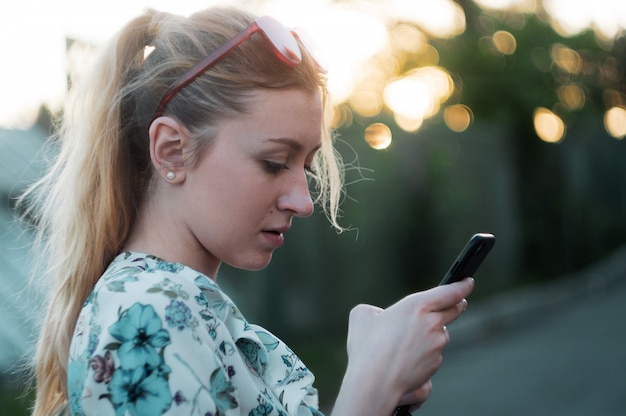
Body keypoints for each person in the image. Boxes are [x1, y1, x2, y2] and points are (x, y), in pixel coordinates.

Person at [20, 5, 474, 416]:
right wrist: (372, 386)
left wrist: (384, 386)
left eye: (306, 166)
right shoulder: (142, 317)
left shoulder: (182, 307)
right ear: (172, 151)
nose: (304, 201)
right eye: (274, 163)